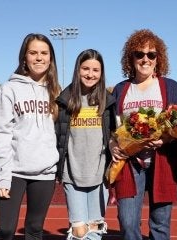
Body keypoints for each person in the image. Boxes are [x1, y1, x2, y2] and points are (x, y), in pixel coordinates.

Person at [109, 29, 177, 240]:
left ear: (158, 58)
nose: (145, 59)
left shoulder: (170, 87)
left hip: (162, 161)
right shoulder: (120, 89)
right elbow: (112, 128)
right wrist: (112, 145)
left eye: (151, 54)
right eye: (139, 54)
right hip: (129, 162)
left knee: (160, 224)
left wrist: (166, 138)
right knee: (127, 223)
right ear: (131, 57)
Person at [0, 33, 60, 239]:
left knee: (35, 229)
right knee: (6, 230)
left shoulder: (56, 91)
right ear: (24, 57)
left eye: (44, 53)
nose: (39, 57)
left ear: (50, 58)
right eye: (33, 52)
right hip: (14, 172)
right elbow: (0, 133)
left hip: (44, 172)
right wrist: (2, 176)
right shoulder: (9, 89)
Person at [55, 49, 116, 239]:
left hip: (99, 176)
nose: (90, 74)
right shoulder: (65, 100)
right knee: (79, 232)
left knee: (95, 232)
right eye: (85, 68)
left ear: (101, 73)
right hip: (73, 175)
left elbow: (113, 135)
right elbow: (59, 136)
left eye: (95, 70)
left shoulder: (107, 101)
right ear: (78, 69)